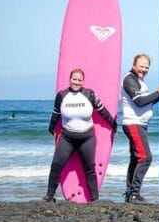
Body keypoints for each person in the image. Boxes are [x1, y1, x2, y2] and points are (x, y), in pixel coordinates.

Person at [44, 68, 116, 202]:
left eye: (79, 80)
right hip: (67, 138)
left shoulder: (89, 94)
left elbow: (101, 110)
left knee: (89, 168)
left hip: (87, 138)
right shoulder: (62, 95)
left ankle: (95, 199)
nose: (76, 82)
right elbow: (56, 114)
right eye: (74, 79)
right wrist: (51, 127)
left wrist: (113, 123)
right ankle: (49, 196)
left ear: (83, 81)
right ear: (70, 79)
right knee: (56, 165)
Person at [120, 53, 159, 204]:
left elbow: (146, 103)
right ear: (134, 65)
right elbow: (140, 101)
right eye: (141, 66)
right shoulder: (129, 79)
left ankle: (130, 194)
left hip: (140, 123)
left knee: (136, 159)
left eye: (147, 67)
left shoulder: (140, 82)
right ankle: (134, 193)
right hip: (133, 123)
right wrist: (158, 93)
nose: (144, 69)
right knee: (145, 157)